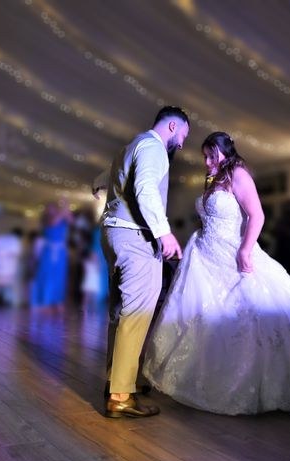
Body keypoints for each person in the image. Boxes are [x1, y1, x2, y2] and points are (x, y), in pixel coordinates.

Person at [142, 132, 290, 416]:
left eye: (210, 155)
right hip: (205, 254)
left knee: (243, 317)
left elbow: (258, 215)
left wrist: (245, 250)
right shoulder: (214, 178)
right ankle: (201, 378)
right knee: (202, 316)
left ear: (224, 151)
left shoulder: (238, 174)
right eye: (204, 156)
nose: (206, 162)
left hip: (232, 252)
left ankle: (255, 384)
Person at [101, 106, 189, 419]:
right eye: (182, 136)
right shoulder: (153, 147)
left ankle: (117, 380)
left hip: (114, 235)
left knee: (120, 313)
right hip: (135, 239)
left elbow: (110, 181)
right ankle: (121, 396)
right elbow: (145, 188)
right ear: (173, 126)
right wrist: (164, 233)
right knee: (137, 313)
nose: (181, 144)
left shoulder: (132, 146)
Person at [31, 201, 72, 314]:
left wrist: (66, 206)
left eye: (53, 208)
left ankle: (58, 302)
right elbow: (54, 222)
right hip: (49, 252)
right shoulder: (46, 221)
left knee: (59, 277)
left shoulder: (61, 218)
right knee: (48, 276)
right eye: (50, 208)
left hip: (60, 253)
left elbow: (70, 220)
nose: (52, 210)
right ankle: (46, 302)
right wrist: (64, 207)